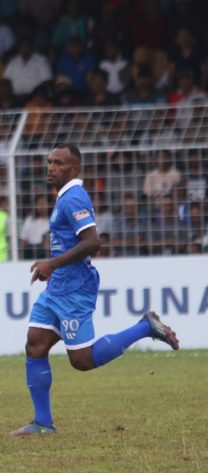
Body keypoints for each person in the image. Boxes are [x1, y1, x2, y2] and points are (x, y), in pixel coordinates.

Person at [12, 145, 180, 436]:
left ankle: (145, 327)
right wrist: (53, 267)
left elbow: (93, 242)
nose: (50, 167)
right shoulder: (63, 196)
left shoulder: (74, 197)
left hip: (74, 288)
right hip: (57, 287)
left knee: (82, 360)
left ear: (73, 169)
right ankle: (42, 423)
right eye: (49, 162)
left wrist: (51, 263)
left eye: (58, 163)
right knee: (35, 345)